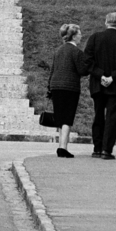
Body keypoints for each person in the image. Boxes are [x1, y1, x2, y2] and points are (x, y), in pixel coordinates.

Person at [82, 12, 116, 159]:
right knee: (112, 118)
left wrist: (101, 75)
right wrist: (112, 77)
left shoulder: (95, 38)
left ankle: (97, 148)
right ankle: (106, 150)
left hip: (98, 84)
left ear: (106, 22)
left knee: (98, 115)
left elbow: (88, 61)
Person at [46, 25, 86, 157]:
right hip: (70, 86)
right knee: (67, 117)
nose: (81, 36)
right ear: (74, 36)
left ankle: (60, 145)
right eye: (79, 34)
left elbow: (53, 69)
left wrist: (49, 87)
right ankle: (63, 147)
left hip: (56, 85)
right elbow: (82, 70)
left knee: (60, 116)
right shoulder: (76, 52)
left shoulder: (58, 50)